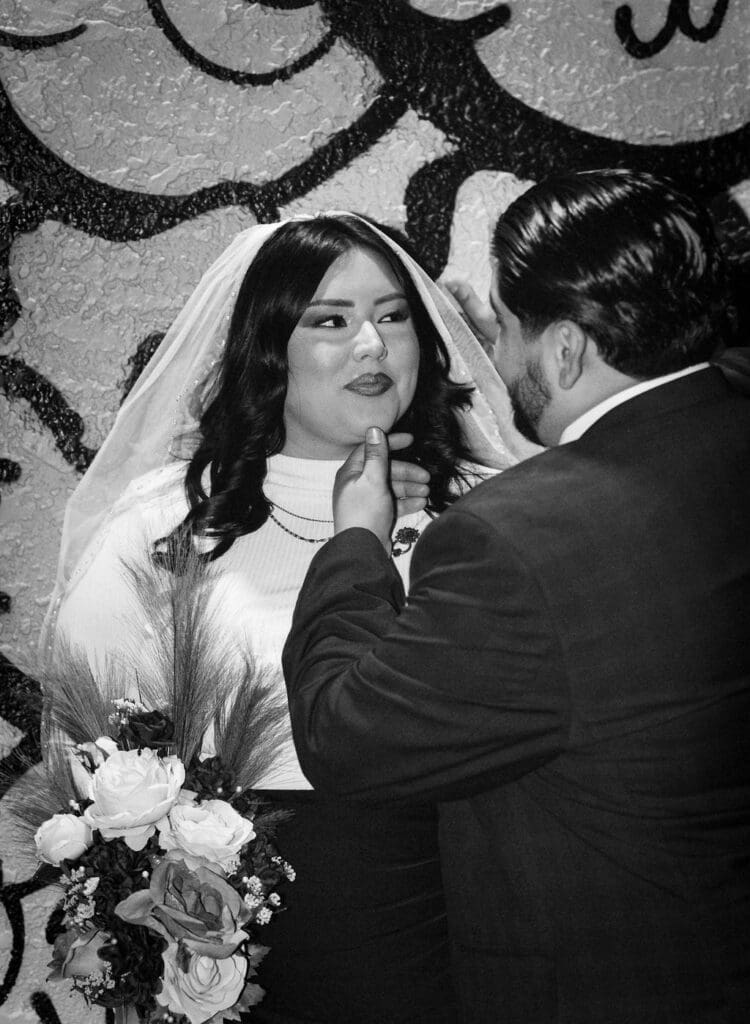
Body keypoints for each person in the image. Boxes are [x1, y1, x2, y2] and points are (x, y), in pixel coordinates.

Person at [282, 171, 750, 1023]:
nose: (491, 357)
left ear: (565, 349)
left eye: (501, 326)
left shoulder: (516, 537)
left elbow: (344, 738)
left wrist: (356, 538)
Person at [42, 213, 521, 1023]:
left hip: (479, 929)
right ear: (269, 348)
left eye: (393, 314)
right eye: (330, 321)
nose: (372, 345)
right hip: (253, 959)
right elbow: (84, 755)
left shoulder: (492, 509)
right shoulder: (165, 528)